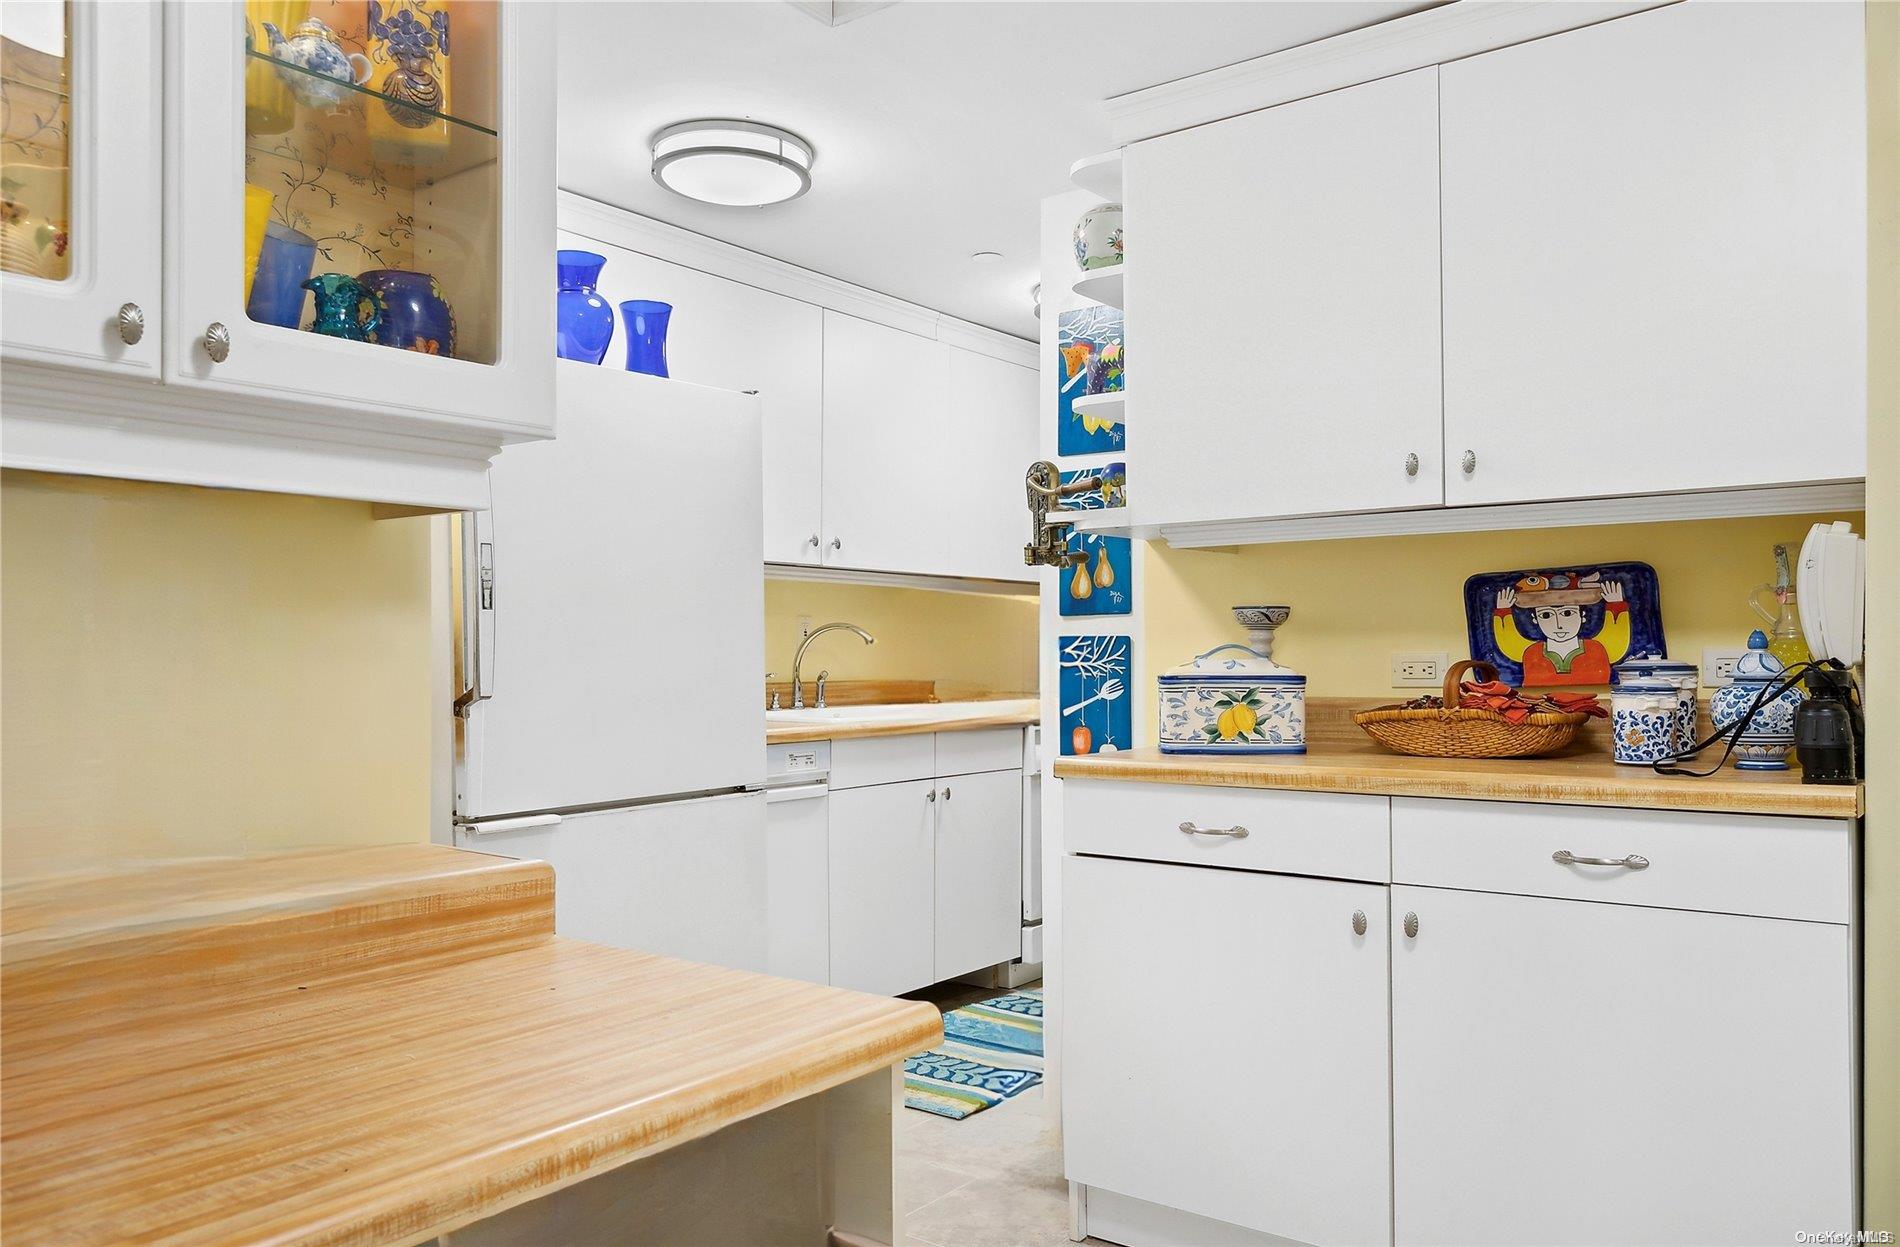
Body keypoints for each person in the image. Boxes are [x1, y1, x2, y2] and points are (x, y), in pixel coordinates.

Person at [1492, 575, 1630, 686]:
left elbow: (1617, 641)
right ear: (1535, 619)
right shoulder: (1531, 653)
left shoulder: (1596, 649)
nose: (1558, 625)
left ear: (1582, 616)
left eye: (1568, 613)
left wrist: (1615, 604)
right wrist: (1503, 611)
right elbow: (1508, 643)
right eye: (1546, 615)